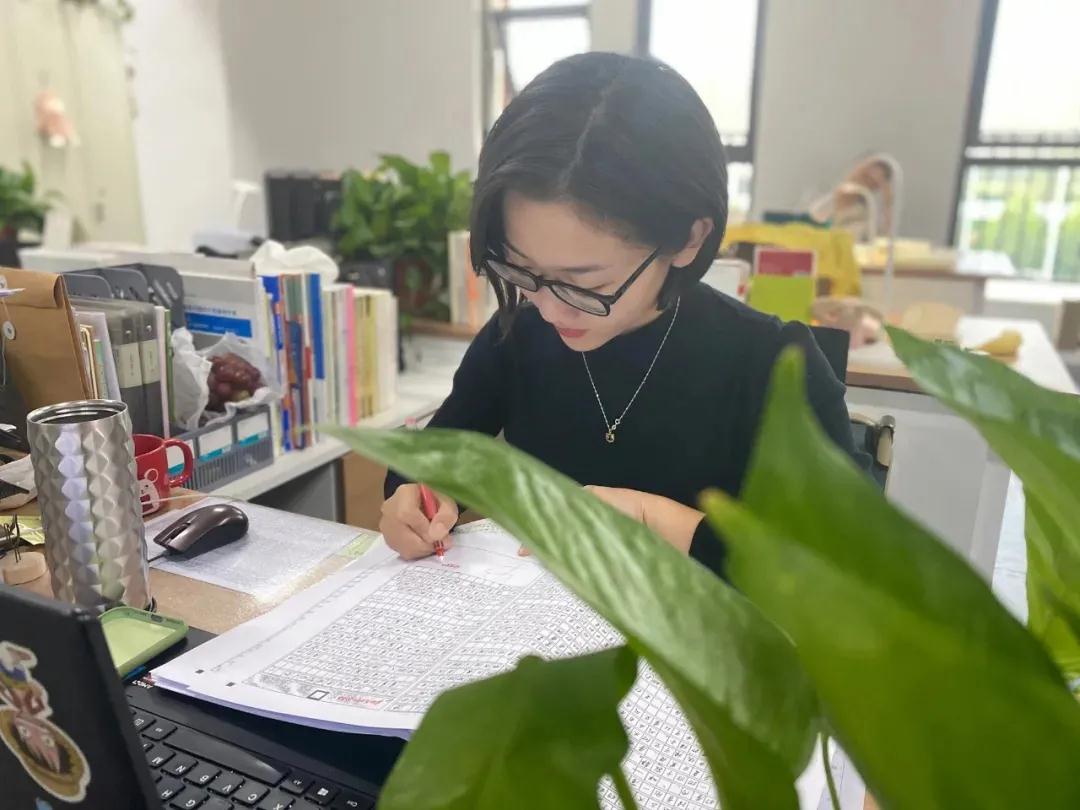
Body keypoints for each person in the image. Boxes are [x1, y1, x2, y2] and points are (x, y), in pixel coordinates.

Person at [382, 52, 862, 578]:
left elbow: (849, 573)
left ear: (687, 239)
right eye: (522, 270)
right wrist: (417, 501)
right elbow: (430, 464)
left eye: (586, 284)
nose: (549, 307)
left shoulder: (775, 367)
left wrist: (662, 523)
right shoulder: (516, 336)